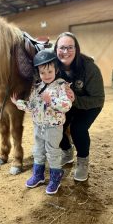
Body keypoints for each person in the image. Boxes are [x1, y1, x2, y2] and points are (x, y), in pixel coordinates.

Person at [11, 50, 72, 195]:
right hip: (39, 126)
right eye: (42, 72)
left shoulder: (61, 86)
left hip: (53, 127)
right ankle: (38, 175)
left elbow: (67, 105)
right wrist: (19, 103)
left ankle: (55, 177)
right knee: (38, 150)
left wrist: (52, 101)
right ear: (38, 73)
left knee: (52, 152)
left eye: (49, 71)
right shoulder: (37, 87)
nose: (46, 75)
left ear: (56, 70)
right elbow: (32, 106)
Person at [54, 32, 105, 182]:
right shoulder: (53, 65)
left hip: (90, 104)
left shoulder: (89, 68)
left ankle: (83, 161)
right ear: (56, 49)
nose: (66, 52)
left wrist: (75, 99)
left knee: (78, 128)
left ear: (76, 49)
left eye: (70, 47)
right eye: (62, 47)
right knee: (57, 125)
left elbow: (98, 98)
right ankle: (67, 151)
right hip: (68, 104)